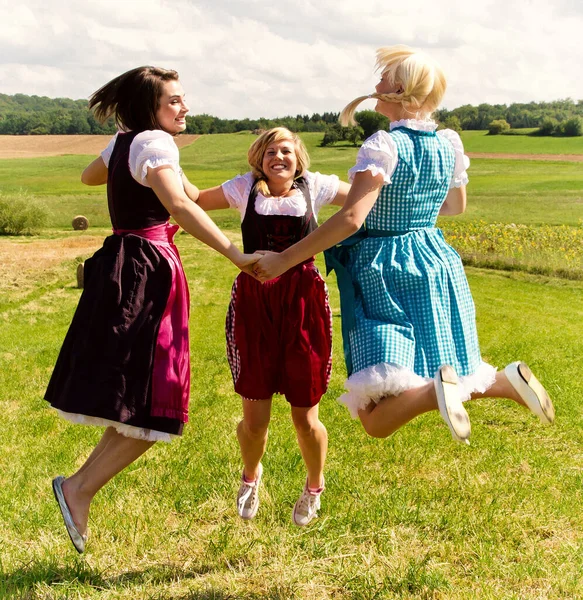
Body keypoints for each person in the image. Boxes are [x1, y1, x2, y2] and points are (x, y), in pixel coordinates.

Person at [253, 46, 554, 445]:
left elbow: (351, 219)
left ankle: (434, 393)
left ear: (397, 89)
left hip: (384, 268)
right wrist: (412, 210)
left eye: (383, 78)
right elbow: (454, 205)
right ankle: (506, 381)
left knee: (372, 415)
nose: (375, 84)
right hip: (435, 259)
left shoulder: (384, 146)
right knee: (438, 365)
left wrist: (285, 259)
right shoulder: (449, 143)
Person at [45, 66, 257, 553]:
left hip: (124, 264)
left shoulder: (129, 143)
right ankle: (78, 488)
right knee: (157, 401)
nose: (184, 108)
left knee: (141, 399)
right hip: (148, 270)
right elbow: (181, 208)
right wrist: (235, 254)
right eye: (174, 101)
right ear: (150, 107)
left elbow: (91, 176)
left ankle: (78, 488)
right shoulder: (155, 144)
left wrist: (249, 184)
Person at [192, 127, 350, 526]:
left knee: (305, 415)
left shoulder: (316, 186)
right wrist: (161, 163)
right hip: (255, 301)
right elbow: (192, 201)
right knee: (255, 415)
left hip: (303, 302)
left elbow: (367, 200)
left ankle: (315, 486)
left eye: (286, 150)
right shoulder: (243, 188)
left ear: (299, 156)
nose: (278, 157)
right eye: (270, 151)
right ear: (258, 157)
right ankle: (250, 476)